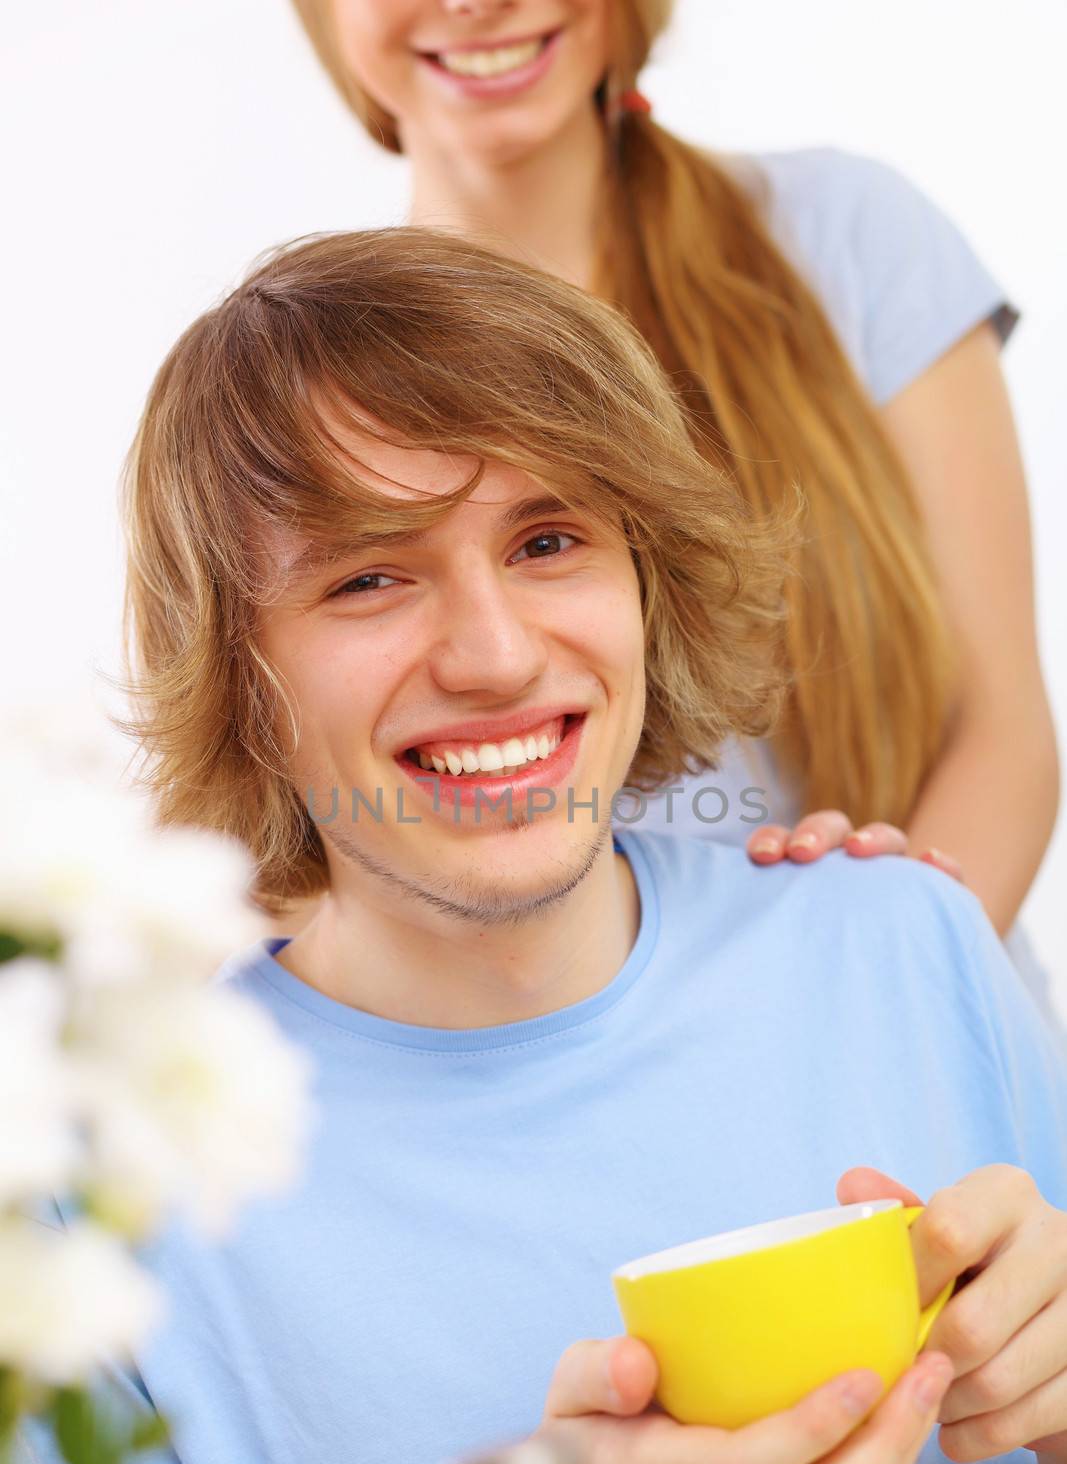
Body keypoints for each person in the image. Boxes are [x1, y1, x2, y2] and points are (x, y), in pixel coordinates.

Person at [17, 229, 1067, 1464]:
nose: (497, 654)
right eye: (367, 575)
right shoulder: (96, 1201)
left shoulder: (905, 948)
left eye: (548, 539)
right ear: (239, 674)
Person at [283, 0, 1061, 1015]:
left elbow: (999, 729)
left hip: (898, 1046)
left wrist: (876, 1000)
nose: (472, 4)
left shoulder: (846, 237)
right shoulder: (308, 384)